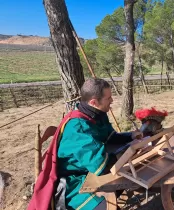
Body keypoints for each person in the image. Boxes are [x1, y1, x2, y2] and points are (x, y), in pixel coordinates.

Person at [28, 78, 142, 210]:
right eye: (108, 98)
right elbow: (101, 166)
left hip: (87, 170)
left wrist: (131, 136)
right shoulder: (78, 128)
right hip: (72, 182)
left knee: (123, 176)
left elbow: (111, 138)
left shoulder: (97, 114)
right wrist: (130, 151)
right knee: (113, 192)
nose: (112, 100)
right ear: (94, 102)